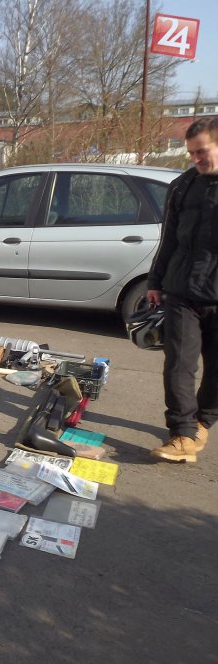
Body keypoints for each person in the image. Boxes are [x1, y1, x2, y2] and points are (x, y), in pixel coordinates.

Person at [146, 116, 218, 464]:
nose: (195, 159)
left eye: (201, 151)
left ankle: (203, 421)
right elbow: (169, 239)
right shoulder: (182, 186)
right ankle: (182, 433)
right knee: (179, 364)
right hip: (181, 289)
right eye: (191, 153)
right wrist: (155, 282)